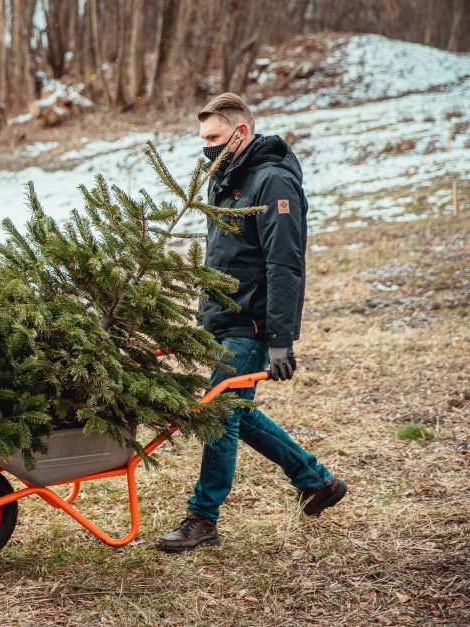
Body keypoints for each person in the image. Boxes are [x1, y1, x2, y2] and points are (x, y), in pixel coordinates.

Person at [156, 93, 346, 553]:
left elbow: (285, 265)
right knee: (235, 409)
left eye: (215, 138)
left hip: (253, 325)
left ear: (240, 133)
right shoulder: (226, 178)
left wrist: (281, 340)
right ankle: (315, 481)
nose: (207, 148)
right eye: (203, 140)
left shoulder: (273, 183)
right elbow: (225, 255)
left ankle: (203, 519)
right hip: (226, 318)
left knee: (220, 413)